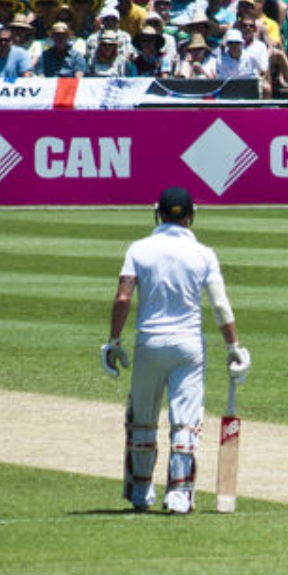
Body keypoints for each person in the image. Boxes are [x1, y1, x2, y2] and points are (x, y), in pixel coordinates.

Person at [103, 187, 250, 515]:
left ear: (158, 213)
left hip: (149, 344)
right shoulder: (203, 253)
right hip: (188, 347)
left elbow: (123, 298)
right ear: (190, 216)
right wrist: (233, 346)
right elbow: (220, 305)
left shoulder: (138, 249)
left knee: (142, 421)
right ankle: (179, 497)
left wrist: (113, 342)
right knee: (185, 423)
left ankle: (141, 493)